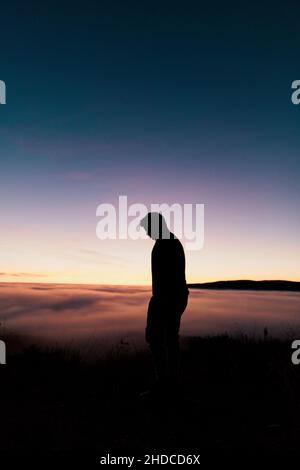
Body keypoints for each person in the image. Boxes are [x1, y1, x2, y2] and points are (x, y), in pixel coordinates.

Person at [140, 212, 189, 396]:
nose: (146, 233)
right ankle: (169, 384)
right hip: (172, 298)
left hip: (167, 299)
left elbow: (168, 279)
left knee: (159, 340)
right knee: (167, 341)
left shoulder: (166, 244)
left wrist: (159, 304)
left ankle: (164, 386)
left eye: (147, 228)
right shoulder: (168, 242)